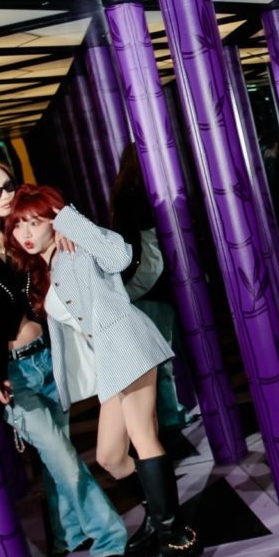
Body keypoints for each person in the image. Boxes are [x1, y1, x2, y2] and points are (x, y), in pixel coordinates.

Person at [0, 156, 127, 557]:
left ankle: (67, 533)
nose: (7, 195)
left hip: (47, 359)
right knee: (63, 458)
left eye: (8, 185)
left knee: (58, 453)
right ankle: (110, 536)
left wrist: (65, 235)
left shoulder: (19, 229)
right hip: (9, 373)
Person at [6, 184, 202, 557]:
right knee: (112, 457)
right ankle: (155, 518)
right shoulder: (47, 267)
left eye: (36, 221)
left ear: (54, 220)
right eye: (19, 225)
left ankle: (176, 537)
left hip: (128, 344)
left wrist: (70, 222)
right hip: (111, 363)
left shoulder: (75, 250)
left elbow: (120, 254)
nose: (26, 232)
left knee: (144, 439)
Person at [109, 144, 192, 432]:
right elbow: (152, 250)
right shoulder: (138, 197)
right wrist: (133, 292)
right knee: (162, 356)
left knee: (162, 355)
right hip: (151, 288)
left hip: (146, 286)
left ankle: (171, 413)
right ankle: (170, 417)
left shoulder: (125, 194)